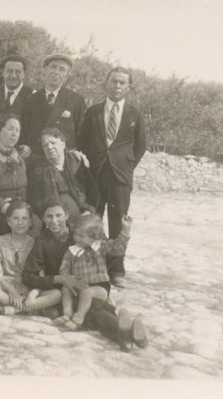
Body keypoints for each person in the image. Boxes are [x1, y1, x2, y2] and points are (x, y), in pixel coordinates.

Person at [78, 67, 147, 288]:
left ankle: (117, 270)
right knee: (93, 221)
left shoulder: (134, 114)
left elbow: (140, 145)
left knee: (119, 223)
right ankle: (94, 267)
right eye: (114, 81)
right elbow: (82, 141)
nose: (117, 86)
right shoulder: (94, 112)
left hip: (120, 178)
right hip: (96, 175)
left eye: (122, 83)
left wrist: (126, 166)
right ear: (106, 83)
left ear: (128, 87)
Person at [54, 215, 131, 330]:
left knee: (87, 293)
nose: (77, 238)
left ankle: (78, 319)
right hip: (79, 286)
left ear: (94, 237)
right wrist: (68, 279)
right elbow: (64, 268)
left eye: (81, 236)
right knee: (65, 289)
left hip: (100, 287)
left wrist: (126, 230)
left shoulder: (101, 247)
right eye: (76, 234)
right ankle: (67, 314)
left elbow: (118, 248)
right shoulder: (71, 251)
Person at [21, 198, 88, 318]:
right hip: (60, 291)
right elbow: (28, 276)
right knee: (84, 311)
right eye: (49, 216)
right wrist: (59, 279)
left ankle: (122, 327)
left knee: (91, 307)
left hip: (83, 286)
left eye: (58, 216)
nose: (54, 221)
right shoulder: (42, 240)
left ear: (66, 215)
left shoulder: (78, 236)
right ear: (43, 218)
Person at [0, 112, 40, 239]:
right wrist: (8, 209)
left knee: (37, 223)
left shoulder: (20, 156)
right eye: (10, 129)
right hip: (1, 209)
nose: (14, 134)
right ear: (0, 131)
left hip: (22, 206)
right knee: (11, 225)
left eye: (17, 130)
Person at [27, 127, 98, 226]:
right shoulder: (38, 169)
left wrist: (88, 211)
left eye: (53, 143)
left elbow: (93, 192)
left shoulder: (77, 162)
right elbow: (35, 200)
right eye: (45, 145)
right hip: (54, 221)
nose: (49, 147)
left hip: (83, 215)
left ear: (63, 144)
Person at [21, 53, 86, 153]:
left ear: (67, 76)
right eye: (53, 67)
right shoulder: (31, 100)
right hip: (35, 158)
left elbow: (81, 134)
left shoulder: (76, 100)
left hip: (63, 159)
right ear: (45, 70)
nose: (56, 72)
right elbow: (24, 131)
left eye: (62, 69)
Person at [0, 201, 41, 315]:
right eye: (15, 218)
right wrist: (11, 291)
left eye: (24, 218)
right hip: (5, 285)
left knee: (56, 294)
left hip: (27, 285)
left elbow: (41, 274)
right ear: (8, 221)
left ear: (30, 222)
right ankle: (35, 307)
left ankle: (13, 309)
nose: (20, 222)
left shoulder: (35, 244)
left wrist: (32, 294)